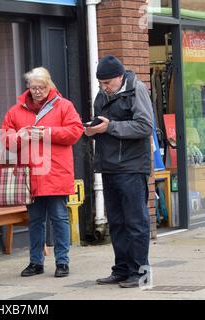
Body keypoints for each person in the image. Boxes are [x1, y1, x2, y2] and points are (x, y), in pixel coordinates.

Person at [1, 67, 83, 277]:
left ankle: (62, 262)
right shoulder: (15, 111)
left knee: (59, 217)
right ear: (28, 87)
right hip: (30, 174)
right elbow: (5, 140)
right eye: (33, 87)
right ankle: (36, 262)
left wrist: (47, 132)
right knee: (35, 220)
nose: (37, 91)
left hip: (55, 171)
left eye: (41, 87)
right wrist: (22, 137)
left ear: (49, 86)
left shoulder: (64, 106)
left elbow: (75, 131)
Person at [84, 55, 154, 288]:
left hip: (133, 166)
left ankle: (140, 272)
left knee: (135, 221)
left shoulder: (137, 90)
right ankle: (122, 269)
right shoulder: (103, 94)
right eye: (101, 84)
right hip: (109, 166)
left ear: (120, 77)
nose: (104, 89)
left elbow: (145, 126)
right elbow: (103, 122)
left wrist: (110, 127)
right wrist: (93, 129)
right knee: (116, 222)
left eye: (107, 84)